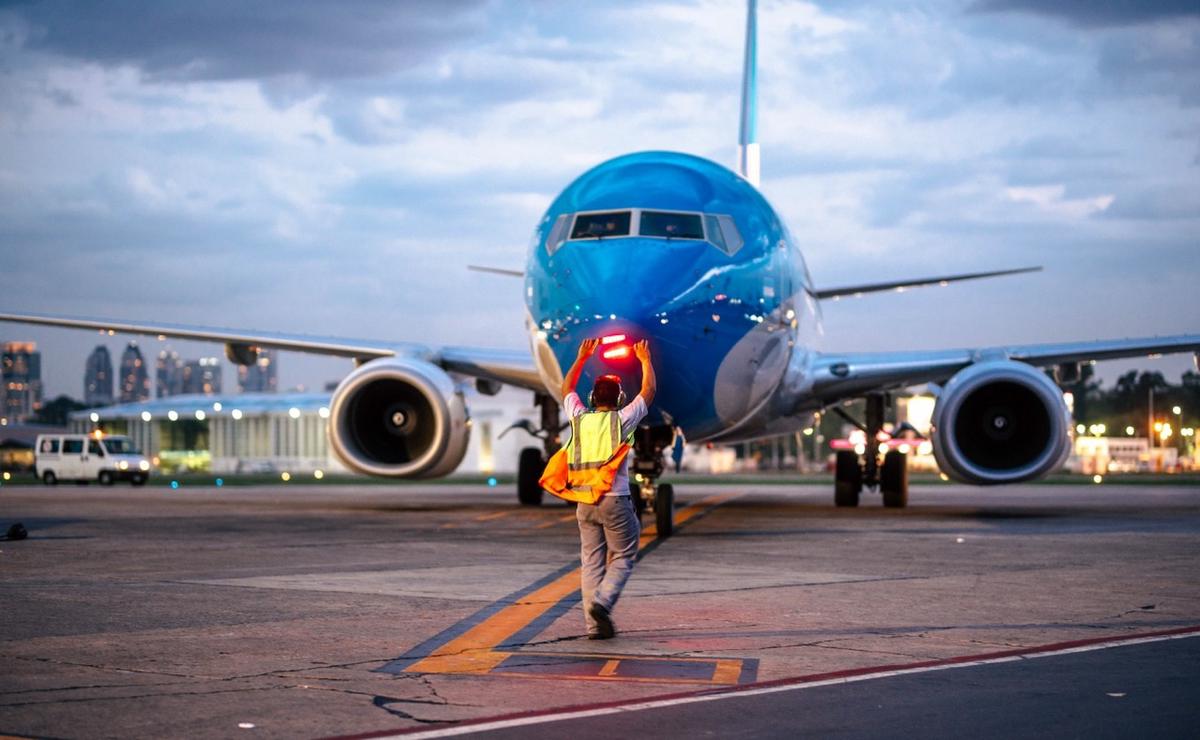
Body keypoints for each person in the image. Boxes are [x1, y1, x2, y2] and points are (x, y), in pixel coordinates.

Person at [560, 337, 656, 639]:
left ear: (591, 399)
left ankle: (593, 626)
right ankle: (603, 602)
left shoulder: (578, 419)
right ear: (618, 400)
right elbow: (648, 392)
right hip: (615, 500)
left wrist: (581, 358)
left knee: (590, 561)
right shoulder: (621, 420)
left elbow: (566, 390)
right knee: (625, 555)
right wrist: (644, 359)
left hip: (584, 502)